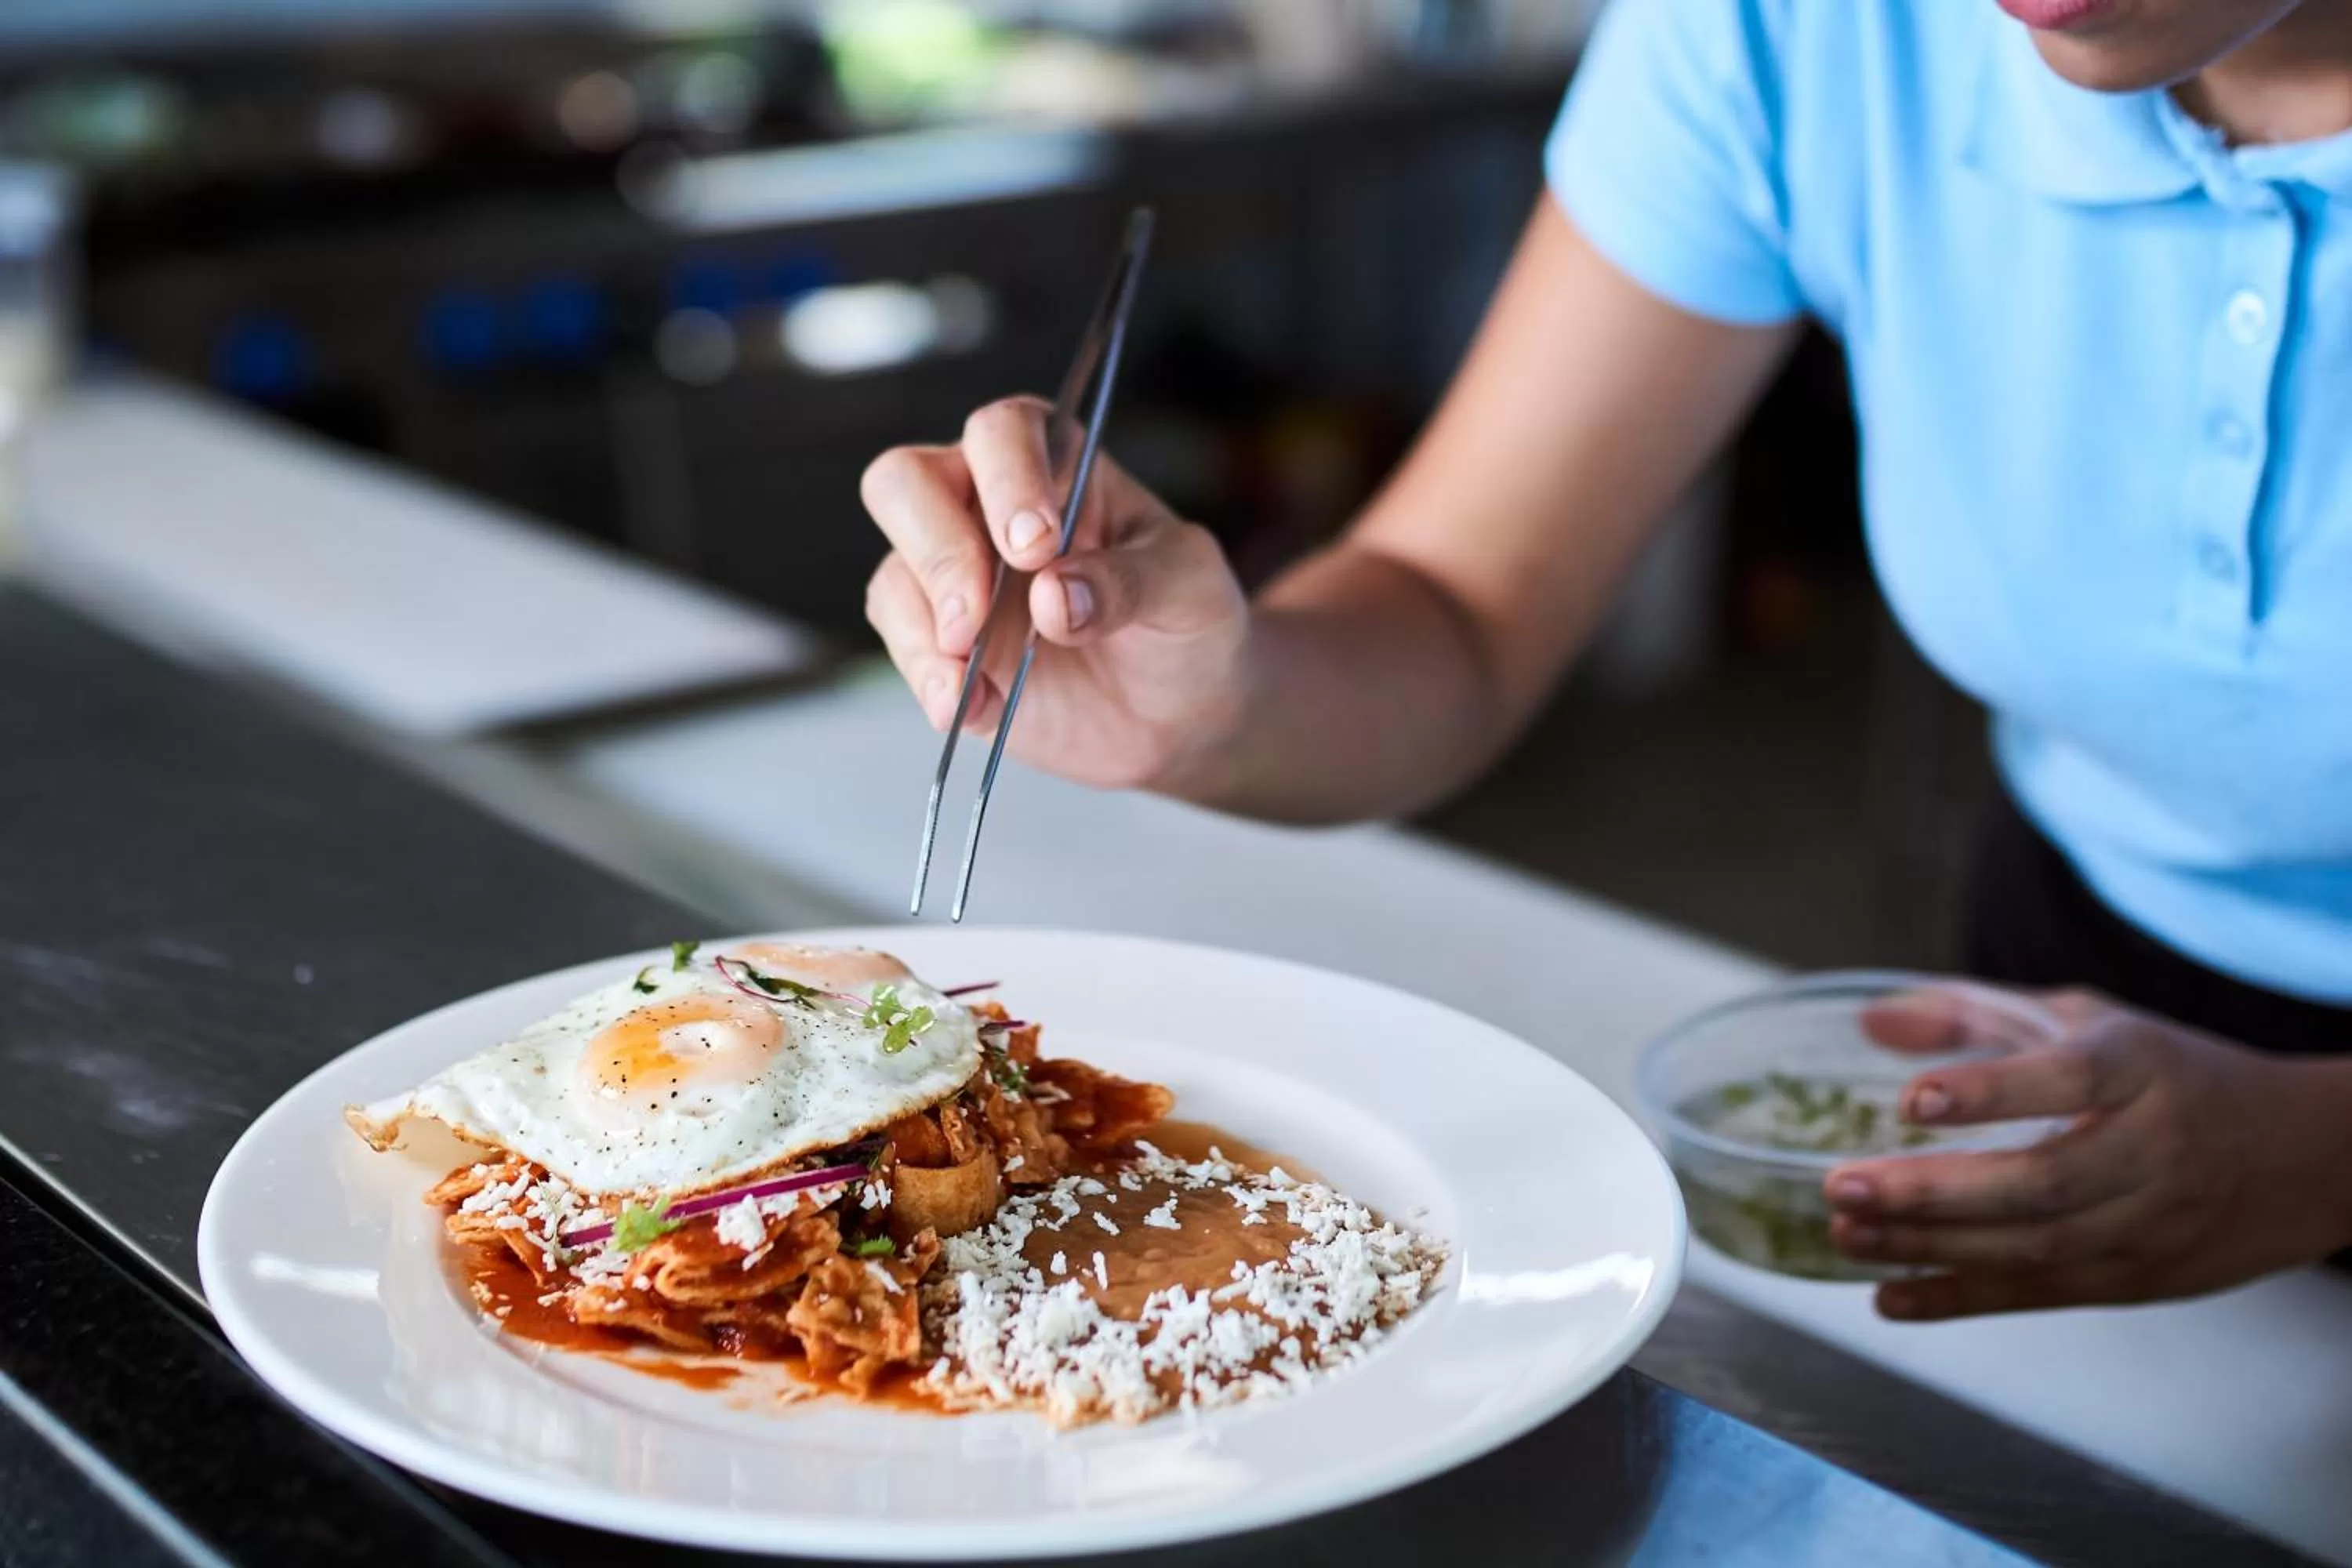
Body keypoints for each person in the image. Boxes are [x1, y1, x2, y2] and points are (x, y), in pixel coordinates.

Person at [859, 0, 2352, 1320]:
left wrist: (2317, 1155)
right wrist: (1216, 704)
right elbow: (1463, 604)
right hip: (2081, 1056)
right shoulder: (1807, 32)